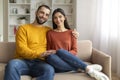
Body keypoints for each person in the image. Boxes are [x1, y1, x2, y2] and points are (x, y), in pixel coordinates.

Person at [4, 5, 79, 80]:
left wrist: (74, 34)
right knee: (12, 65)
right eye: (42, 13)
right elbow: (21, 49)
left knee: (49, 70)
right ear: (36, 12)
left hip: (41, 63)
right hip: (23, 61)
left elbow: (61, 36)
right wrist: (39, 54)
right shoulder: (23, 28)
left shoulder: (49, 31)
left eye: (46, 15)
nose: (44, 16)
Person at [44, 8, 109, 80]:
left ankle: (85, 69)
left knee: (60, 51)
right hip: (57, 63)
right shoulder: (50, 33)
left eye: (60, 16)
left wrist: (59, 52)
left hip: (69, 60)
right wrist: (52, 53)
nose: (58, 19)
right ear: (53, 20)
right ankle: (85, 68)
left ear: (65, 18)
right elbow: (49, 50)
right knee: (50, 57)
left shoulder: (72, 32)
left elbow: (74, 51)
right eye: (55, 18)